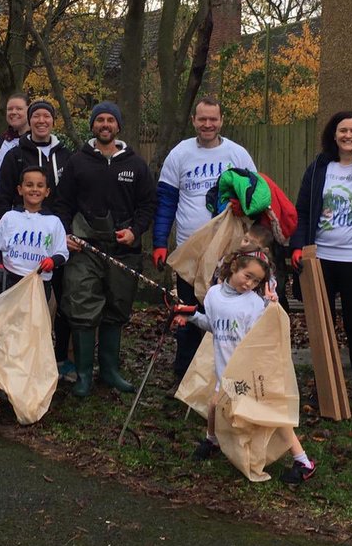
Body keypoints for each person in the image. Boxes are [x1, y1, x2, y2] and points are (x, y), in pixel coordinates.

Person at [172, 250, 315, 484]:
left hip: (247, 373)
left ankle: (303, 461)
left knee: (271, 417)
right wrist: (191, 316)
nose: (249, 284)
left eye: (256, 281)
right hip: (224, 370)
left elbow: (264, 335)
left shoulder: (254, 303)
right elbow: (213, 325)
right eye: (247, 276)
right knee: (214, 407)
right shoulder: (213, 295)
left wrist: (271, 307)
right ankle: (212, 440)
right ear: (234, 266)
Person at [53, 101, 156, 398]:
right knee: (83, 308)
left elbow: (148, 204)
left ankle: (110, 371)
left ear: (118, 126)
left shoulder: (135, 165)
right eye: (100, 120)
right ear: (93, 126)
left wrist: (135, 231)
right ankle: (84, 374)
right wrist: (67, 235)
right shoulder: (77, 162)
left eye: (111, 120)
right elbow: (62, 204)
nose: (105, 125)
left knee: (116, 309)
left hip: (123, 251)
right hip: (85, 250)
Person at [153, 98, 256, 384]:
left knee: (225, 311)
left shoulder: (237, 154)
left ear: (221, 120)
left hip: (229, 253)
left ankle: (226, 372)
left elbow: (257, 197)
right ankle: (185, 373)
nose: (208, 125)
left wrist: (243, 207)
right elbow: (165, 201)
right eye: (202, 119)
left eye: (213, 119)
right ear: (194, 121)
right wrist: (160, 241)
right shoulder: (180, 154)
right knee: (188, 311)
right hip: (190, 250)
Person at [290, 111, 352, 412]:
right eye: (343, 130)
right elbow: (303, 210)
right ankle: (324, 388)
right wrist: (298, 246)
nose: (348, 136)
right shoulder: (320, 168)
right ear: (333, 135)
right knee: (322, 325)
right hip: (320, 259)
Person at [0, 99, 74, 375]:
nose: (42, 121)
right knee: (15, 312)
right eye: (36, 116)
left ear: (53, 121)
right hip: (20, 245)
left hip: (53, 239)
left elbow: (68, 198)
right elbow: (3, 198)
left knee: (58, 302)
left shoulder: (65, 156)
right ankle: (11, 363)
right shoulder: (15, 155)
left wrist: (63, 233)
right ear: (30, 121)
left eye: (47, 116)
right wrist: (8, 231)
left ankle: (59, 357)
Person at [0, 167, 68, 296]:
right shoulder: (9, 217)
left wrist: (53, 261)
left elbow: (63, 253)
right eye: (29, 185)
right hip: (10, 280)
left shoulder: (54, 222)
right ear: (20, 189)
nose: (34, 189)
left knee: (35, 317)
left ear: (47, 191)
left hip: (39, 283)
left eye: (40, 186)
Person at [0, 93, 29, 163]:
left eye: (19, 109)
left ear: (29, 111)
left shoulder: (40, 142)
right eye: (10, 109)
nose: (13, 112)